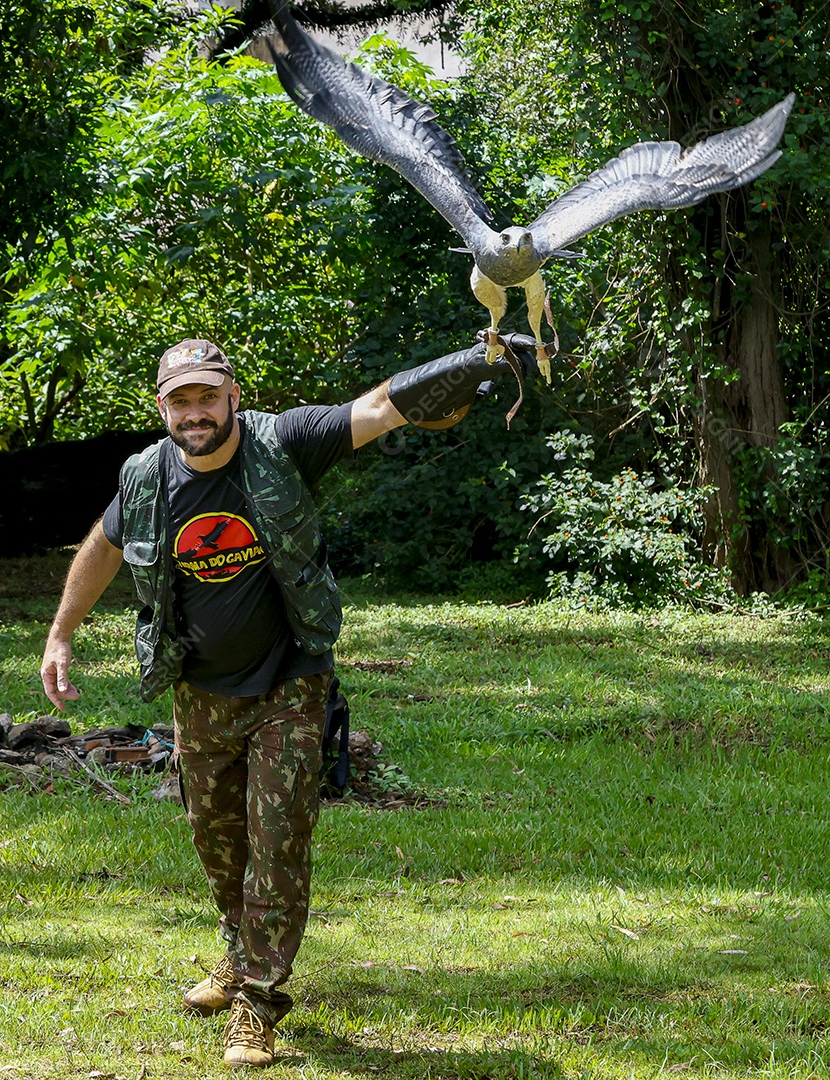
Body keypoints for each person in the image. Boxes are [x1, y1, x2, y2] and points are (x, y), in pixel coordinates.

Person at [40, 335, 536, 1068]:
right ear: (163, 408)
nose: (196, 411)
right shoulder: (146, 477)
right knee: (219, 843)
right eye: (181, 400)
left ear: (233, 395)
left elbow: (379, 407)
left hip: (289, 683)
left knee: (276, 843)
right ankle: (238, 955)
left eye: (209, 395)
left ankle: (259, 1004)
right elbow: (103, 546)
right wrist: (60, 635)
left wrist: (475, 359)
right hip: (199, 692)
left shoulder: (286, 442)